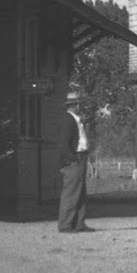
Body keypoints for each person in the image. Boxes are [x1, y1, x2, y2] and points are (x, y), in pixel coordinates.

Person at [56, 91, 91, 233]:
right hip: (74, 160)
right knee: (71, 193)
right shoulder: (68, 120)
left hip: (80, 157)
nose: (79, 106)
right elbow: (63, 144)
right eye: (78, 104)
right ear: (74, 105)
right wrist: (72, 160)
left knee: (80, 192)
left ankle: (78, 223)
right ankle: (65, 225)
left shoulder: (76, 119)